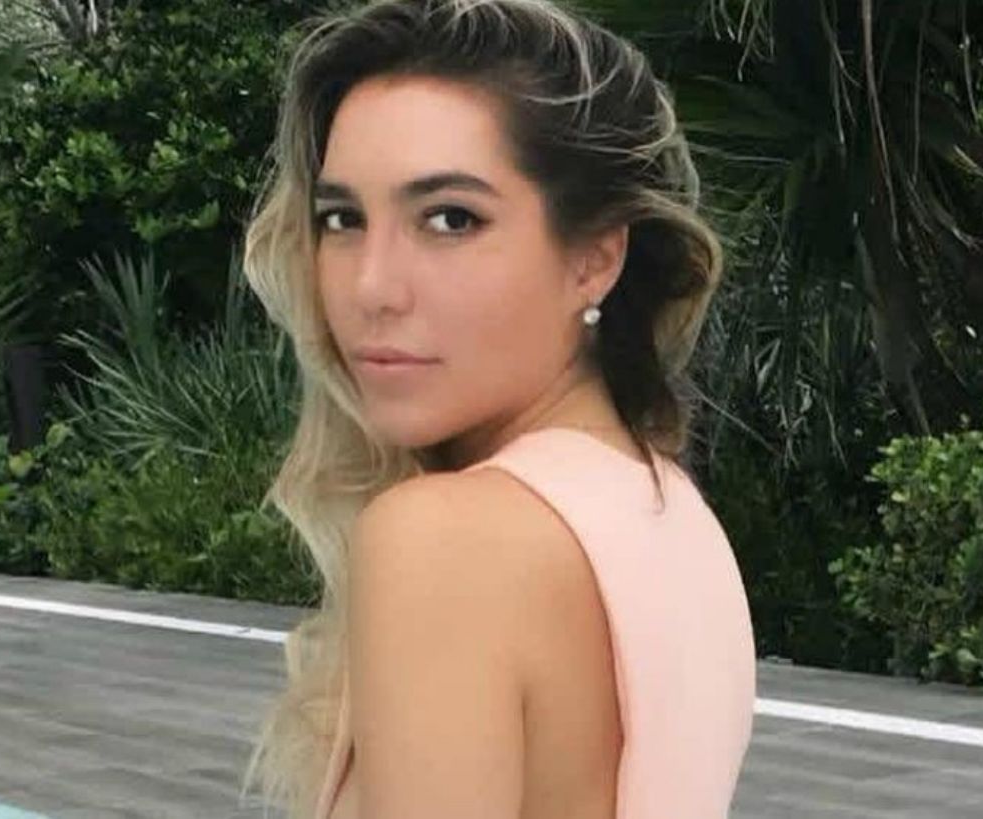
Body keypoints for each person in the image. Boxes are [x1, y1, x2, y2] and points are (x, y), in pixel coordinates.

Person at [237, 0, 756, 816]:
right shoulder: (669, 514)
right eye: (342, 219)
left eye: (450, 219)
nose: (371, 286)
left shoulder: (444, 537)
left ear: (594, 258)